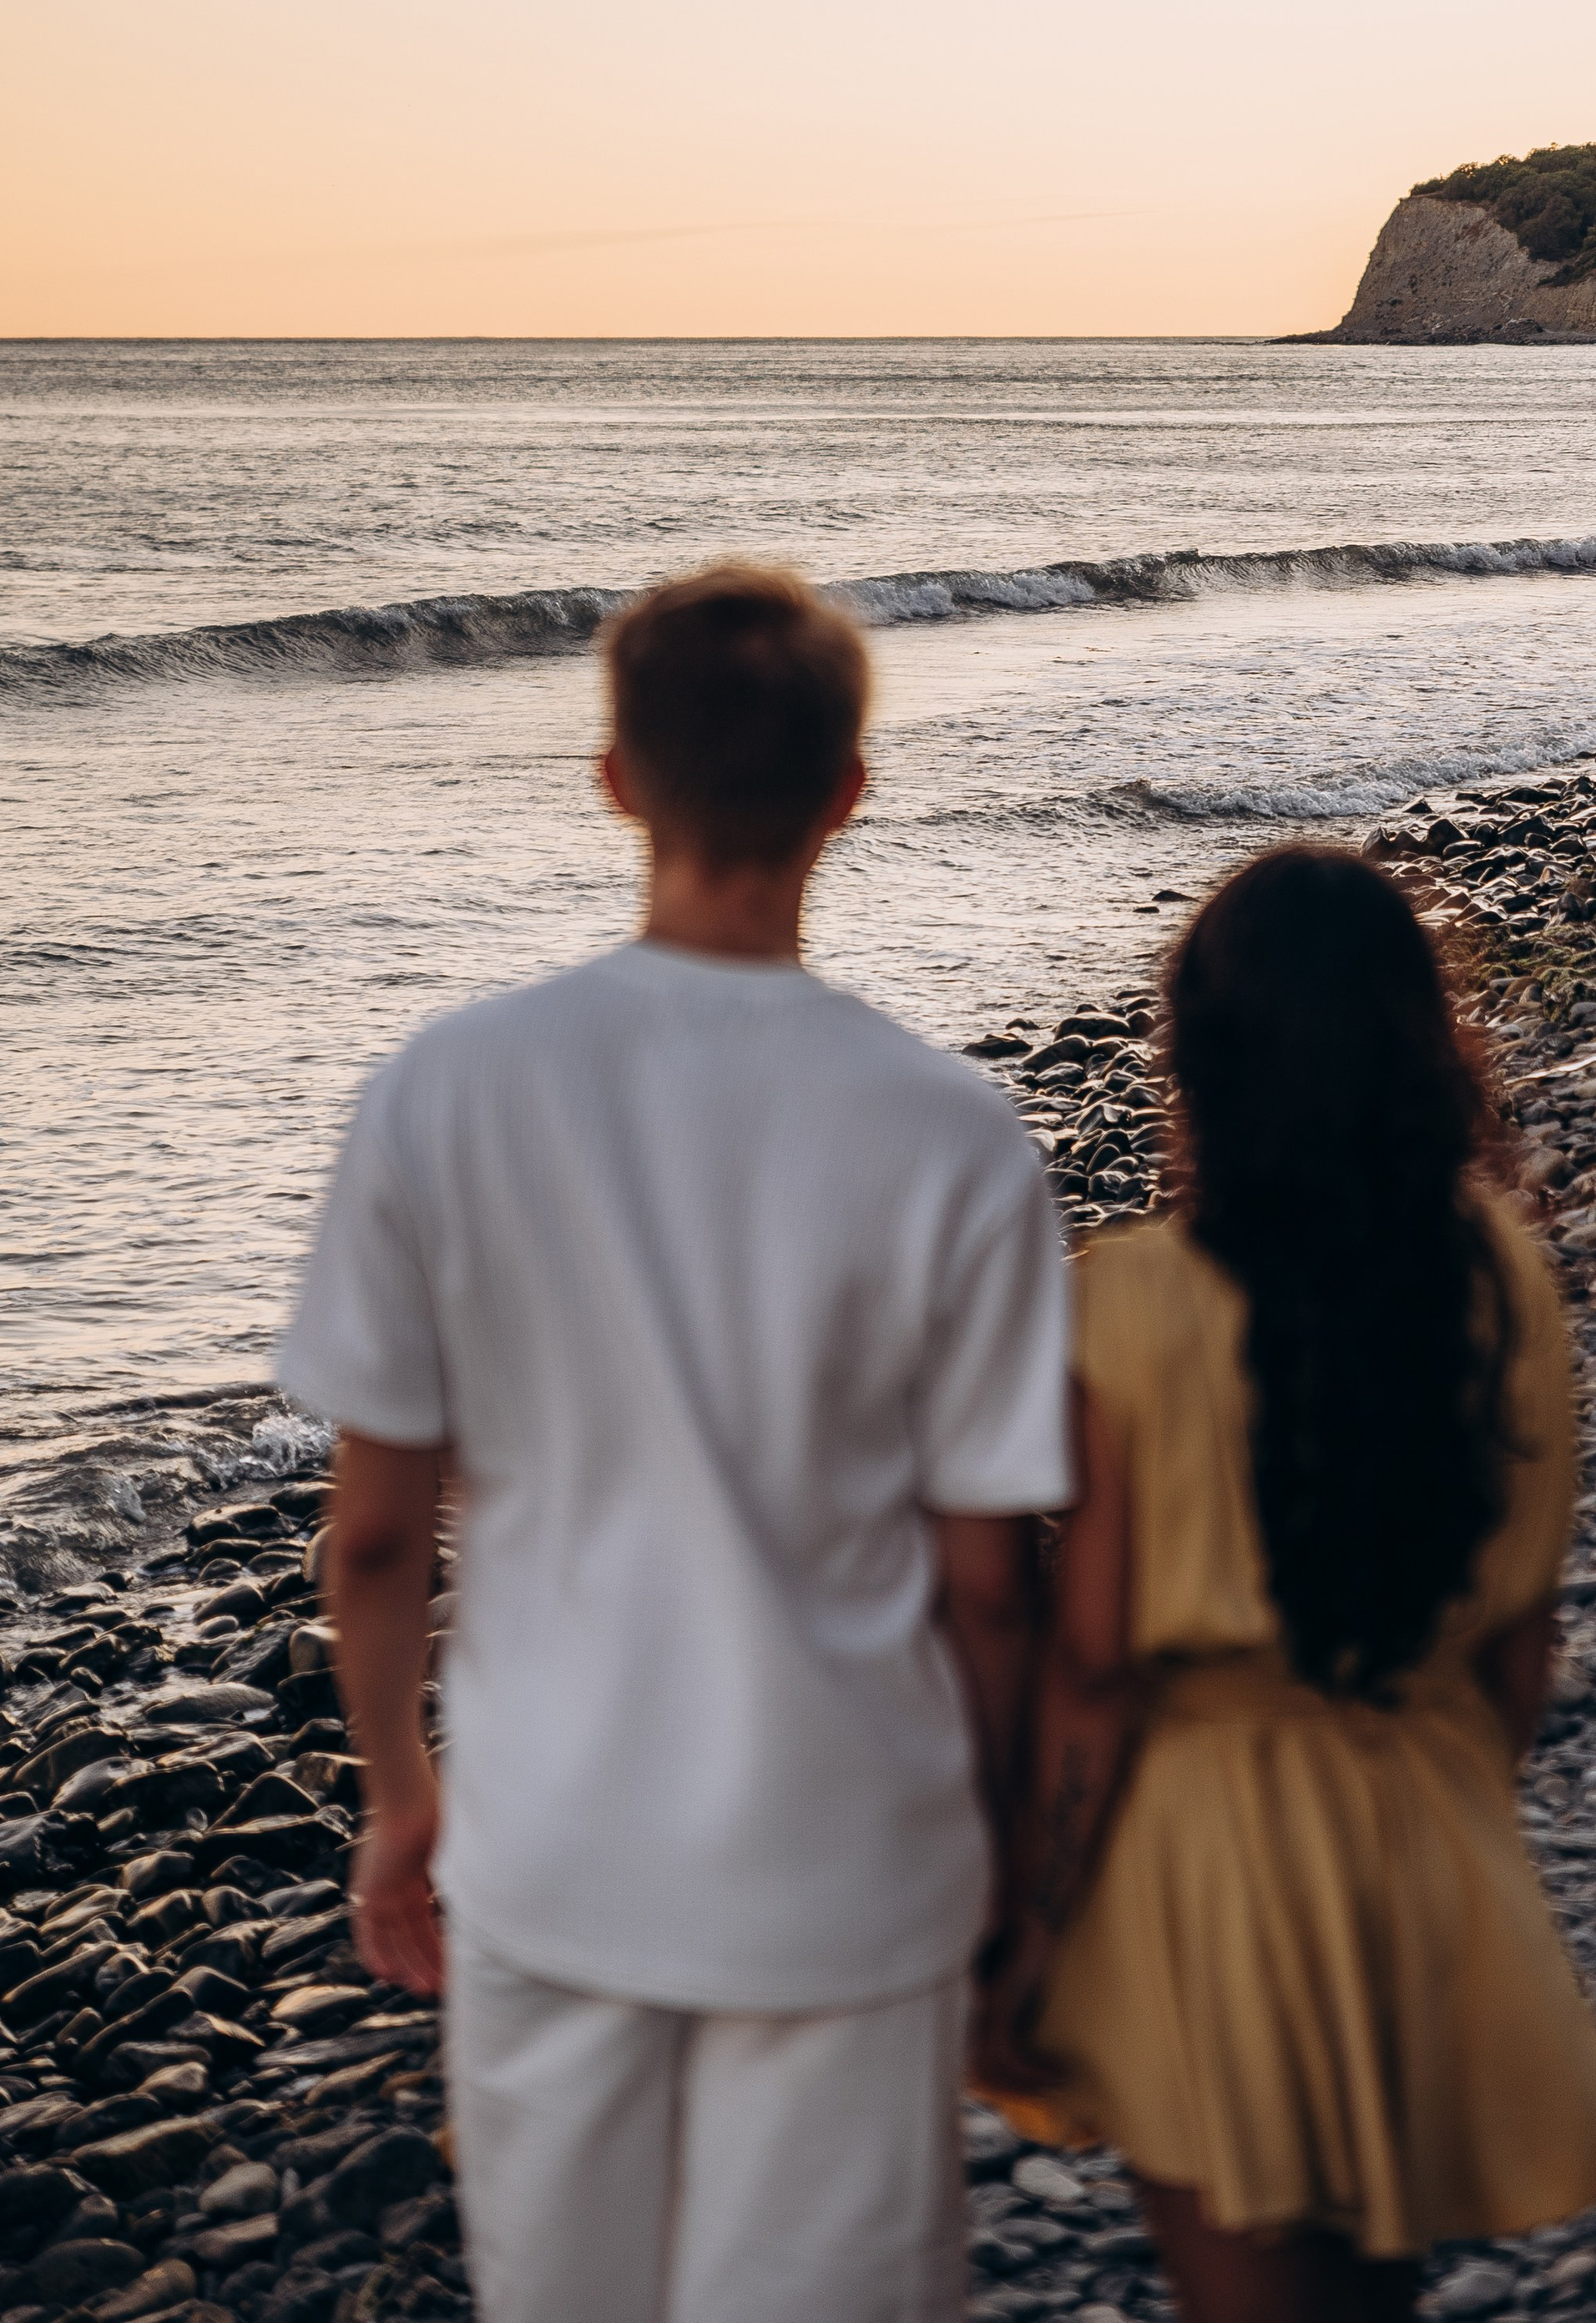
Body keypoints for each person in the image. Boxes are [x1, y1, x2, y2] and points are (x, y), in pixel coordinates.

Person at [279, 564, 1069, 2323]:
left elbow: (378, 1537)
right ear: (846, 793)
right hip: (850, 1853)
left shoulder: (450, 1090)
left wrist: (403, 1799)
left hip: (558, 1846)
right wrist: (1013, 1856)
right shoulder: (949, 1135)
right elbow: (985, 1586)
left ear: (617, 778)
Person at [974, 846, 1596, 2323]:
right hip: (1425, 1823)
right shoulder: (1504, 1280)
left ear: (1204, 1062)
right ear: (1420, 1044)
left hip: (1207, 1858)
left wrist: (1031, 1923)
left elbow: (1090, 1668)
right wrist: (1442, 1812)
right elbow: (1521, 1645)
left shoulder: (1129, 1304)